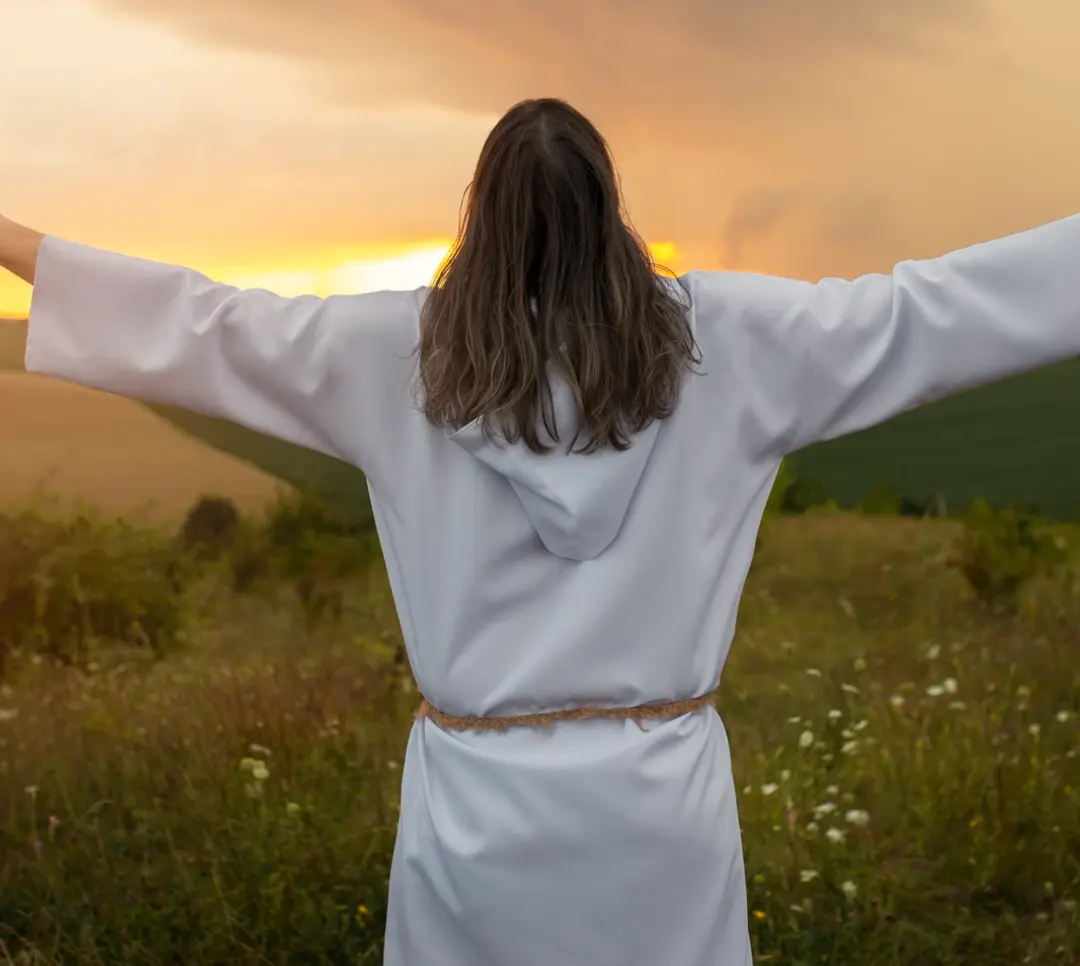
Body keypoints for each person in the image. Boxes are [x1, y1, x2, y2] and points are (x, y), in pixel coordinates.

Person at [2, 95, 1079, 966]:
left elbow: (202, 326)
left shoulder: (392, 358)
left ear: (484, 217)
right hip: (660, 806)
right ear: (611, 212)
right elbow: (929, 312)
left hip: (479, 813)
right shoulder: (736, 346)